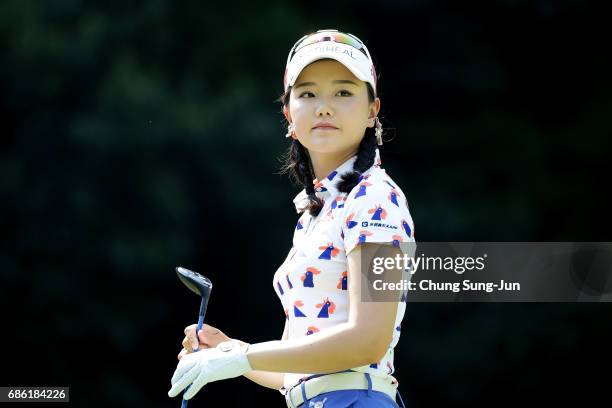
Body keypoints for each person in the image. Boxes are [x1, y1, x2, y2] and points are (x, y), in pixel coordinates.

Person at [168, 29, 416, 408]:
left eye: (344, 92)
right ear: (288, 114)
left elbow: (369, 339)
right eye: (308, 93)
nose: (324, 107)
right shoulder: (317, 212)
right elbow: (293, 372)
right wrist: (231, 352)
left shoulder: (375, 198)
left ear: (372, 111)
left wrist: (245, 357)